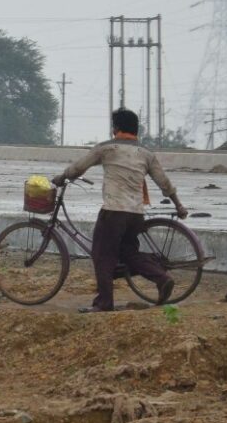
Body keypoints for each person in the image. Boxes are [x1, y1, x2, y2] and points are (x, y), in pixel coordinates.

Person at [52, 108, 188, 313]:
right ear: (135, 129)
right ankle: (162, 278)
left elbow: (78, 168)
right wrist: (178, 205)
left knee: (101, 255)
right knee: (128, 253)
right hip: (135, 214)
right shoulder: (146, 153)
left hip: (114, 211)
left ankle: (104, 303)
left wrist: (61, 177)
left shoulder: (107, 148)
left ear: (116, 128)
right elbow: (163, 182)